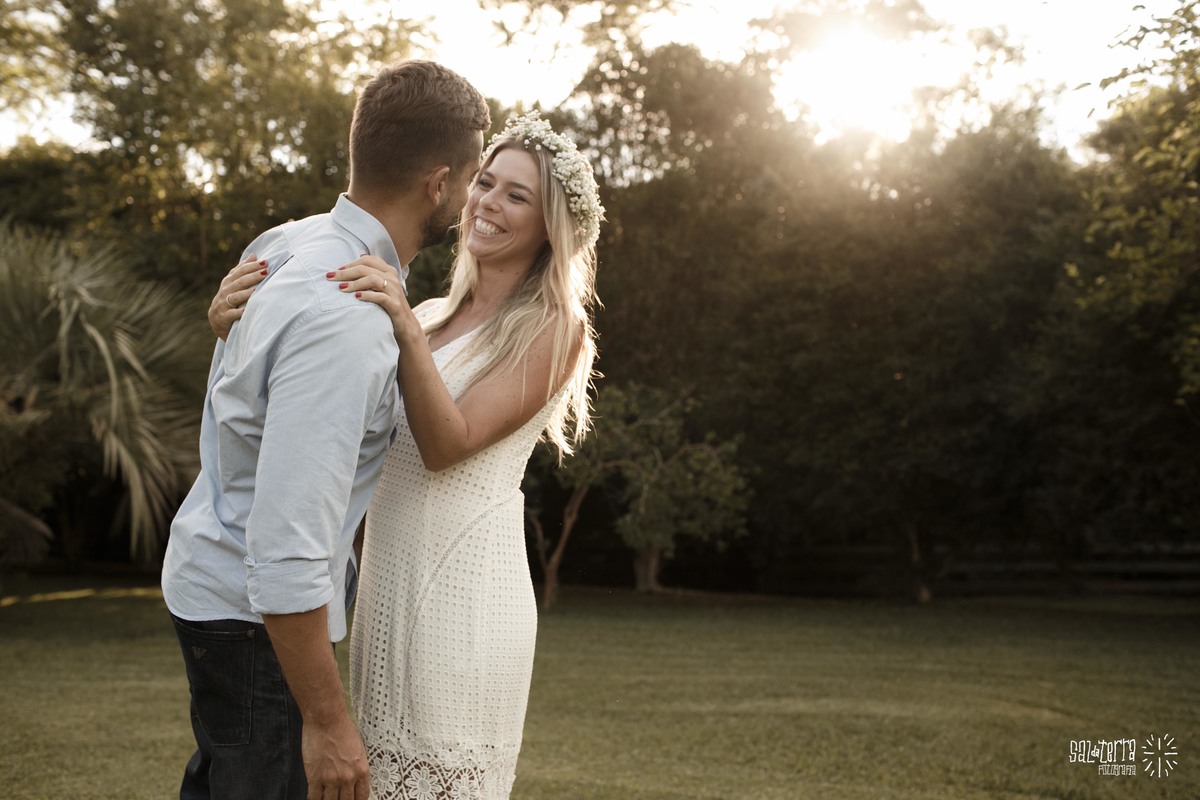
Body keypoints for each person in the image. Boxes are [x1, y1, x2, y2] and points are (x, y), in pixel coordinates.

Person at [210, 111, 603, 799]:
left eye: (517, 195)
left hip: (467, 596)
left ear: (550, 227)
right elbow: (319, 408)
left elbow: (448, 443)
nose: (487, 202)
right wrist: (233, 324)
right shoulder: (423, 314)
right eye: (486, 182)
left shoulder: (554, 328)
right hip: (386, 586)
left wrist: (401, 325)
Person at [162, 59, 490, 800]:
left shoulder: (286, 243)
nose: (472, 198)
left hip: (215, 585)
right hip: (252, 619)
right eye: (472, 179)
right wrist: (329, 724)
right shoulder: (348, 312)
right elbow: (288, 544)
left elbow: (243, 399)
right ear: (439, 183)